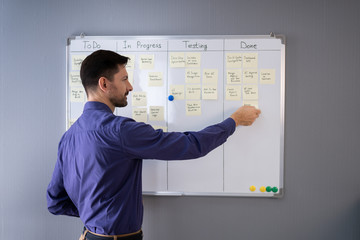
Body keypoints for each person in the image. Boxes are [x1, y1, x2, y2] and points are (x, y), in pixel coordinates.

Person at [46, 50, 261, 240]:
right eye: (124, 79)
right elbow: (191, 145)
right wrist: (234, 121)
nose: (130, 86)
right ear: (104, 84)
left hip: (89, 236)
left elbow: (55, 202)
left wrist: (91, 216)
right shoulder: (121, 131)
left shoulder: (69, 137)